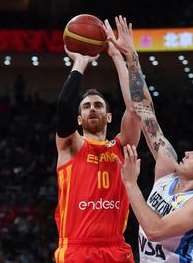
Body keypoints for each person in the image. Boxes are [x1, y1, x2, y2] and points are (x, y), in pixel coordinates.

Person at [108, 16, 193, 262]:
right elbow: (144, 111)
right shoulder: (168, 169)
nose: (187, 153)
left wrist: (131, 183)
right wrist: (126, 57)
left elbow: (155, 231)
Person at [54, 35, 140, 262]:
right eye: (86, 106)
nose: (92, 109)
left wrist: (117, 57)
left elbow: (134, 109)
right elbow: (64, 105)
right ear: (79, 119)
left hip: (116, 249)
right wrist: (80, 62)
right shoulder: (70, 146)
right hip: (77, 249)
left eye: (98, 105)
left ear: (109, 117)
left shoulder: (122, 146)